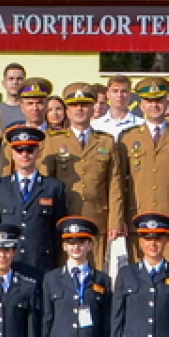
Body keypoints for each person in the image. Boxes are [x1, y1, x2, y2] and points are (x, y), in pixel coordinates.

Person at [115, 79, 169, 266]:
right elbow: (119, 182)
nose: (154, 105)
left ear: (167, 103)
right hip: (138, 219)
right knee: (139, 277)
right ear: (141, 105)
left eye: (159, 100)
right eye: (149, 101)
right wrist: (119, 218)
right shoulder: (127, 138)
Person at [42, 83, 126, 247]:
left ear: (93, 108)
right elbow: (46, 182)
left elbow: (115, 184)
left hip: (97, 218)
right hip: (64, 217)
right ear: (67, 111)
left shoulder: (106, 141)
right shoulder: (53, 141)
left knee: (96, 263)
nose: (79, 109)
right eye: (74, 105)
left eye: (85, 105)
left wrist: (115, 221)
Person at [0, 125, 67, 275]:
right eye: (19, 150)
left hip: (41, 263)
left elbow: (58, 230)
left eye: (30, 150)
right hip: (8, 264)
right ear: (12, 153)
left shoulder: (54, 187)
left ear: (39, 152)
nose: (25, 155)